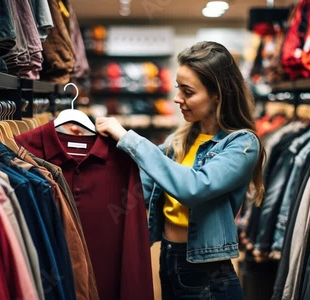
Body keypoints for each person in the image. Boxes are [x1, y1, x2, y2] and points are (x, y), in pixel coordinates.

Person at [96, 41, 265, 299]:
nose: (177, 99)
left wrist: (129, 138)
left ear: (217, 94)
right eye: (178, 88)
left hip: (207, 274)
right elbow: (142, 185)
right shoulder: (180, 140)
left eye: (187, 92)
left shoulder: (242, 144)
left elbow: (193, 187)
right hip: (169, 259)